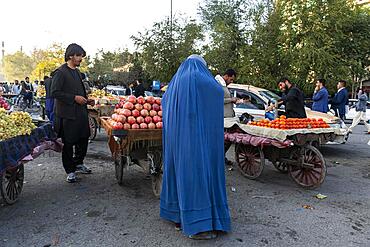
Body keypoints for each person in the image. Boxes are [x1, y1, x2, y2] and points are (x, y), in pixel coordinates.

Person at [160, 55, 231, 240]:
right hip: (198, 141)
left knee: (178, 174)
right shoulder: (203, 80)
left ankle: (177, 218)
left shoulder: (173, 87)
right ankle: (199, 227)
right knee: (198, 176)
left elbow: (165, 104)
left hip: (177, 143)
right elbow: (217, 93)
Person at [51, 43, 94, 183]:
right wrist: (74, 98)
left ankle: (78, 163)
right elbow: (55, 92)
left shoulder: (77, 72)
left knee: (83, 139)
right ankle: (70, 171)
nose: (81, 59)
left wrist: (87, 101)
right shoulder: (60, 72)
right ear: (71, 56)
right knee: (68, 143)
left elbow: (79, 92)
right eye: (79, 56)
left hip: (80, 113)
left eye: (81, 56)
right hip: (67, 115)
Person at [215, 69, 240, 166]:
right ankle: (219, 157)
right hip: (223, 117)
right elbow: (217, 100)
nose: (231, 82)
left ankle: (221, 156)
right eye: (231, 79)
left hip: (228, 117)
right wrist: (231, 99)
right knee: (226, 139)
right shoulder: (218, 85)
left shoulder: (223, 85)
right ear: (226, 76)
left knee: (227, 139)